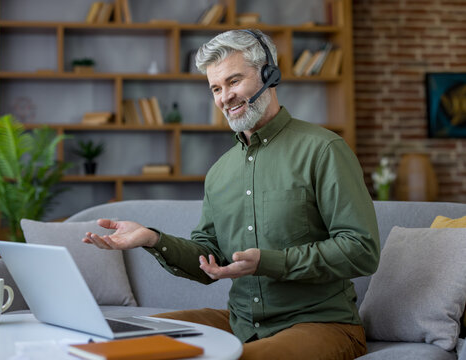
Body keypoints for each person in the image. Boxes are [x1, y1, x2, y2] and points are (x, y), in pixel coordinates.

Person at [83, 29, 380, 360]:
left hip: (321, 324)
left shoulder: (324, 149)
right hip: (241, 324)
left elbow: (362, 251)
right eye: (216, 88)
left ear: (269, 74)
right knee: (129, 339)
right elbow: (208, 258)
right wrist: (151, 238)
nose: (224, 97)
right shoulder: (219, 172)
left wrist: (266, 262)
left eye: (234, 81)